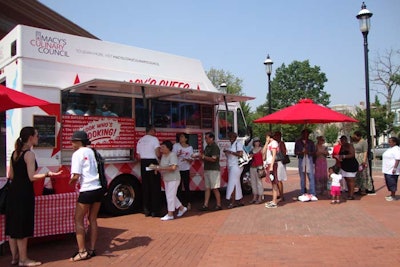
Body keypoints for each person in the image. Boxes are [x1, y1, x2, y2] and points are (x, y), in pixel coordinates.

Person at [6, 127, 61, 266]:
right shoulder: (29, 154)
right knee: (23, 227)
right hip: (24, 193)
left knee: (13, 227)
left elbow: (10, 175)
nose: (38, 137)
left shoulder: (14, 153)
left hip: (13, 192)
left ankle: (15, 258)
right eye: (36, 135)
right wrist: (47, 174)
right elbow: (31, 177)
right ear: (30, 138)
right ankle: (24, 260)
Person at [68, 131, 104, 261]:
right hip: (98, 188)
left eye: (73, 141)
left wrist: (70, 182)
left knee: (78, 219)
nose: (71, 143)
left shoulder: (77, 154)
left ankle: (82, 251)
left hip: (87, 190)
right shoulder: (92, 151)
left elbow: (76, 176)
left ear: (78, 142)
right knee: (92, 219)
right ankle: (92, 249)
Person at [154, 140, 187, 220]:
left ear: (168, 148)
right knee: (171, 195)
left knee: (170, 196)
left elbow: (173, 168)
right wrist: (156, 168)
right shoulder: (163, 156)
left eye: (163, 147)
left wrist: (160, 168)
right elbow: (162, 166)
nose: (161, 148)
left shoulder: (172, 155)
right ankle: (182, 208)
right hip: (167, 178)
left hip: (174, 178)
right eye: (161, 147)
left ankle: (170, 214)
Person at [136, 125, 162, 217]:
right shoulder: (154, 139)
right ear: (151, 131)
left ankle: (146, 210)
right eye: (155, 131)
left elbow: (138, 156)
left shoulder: (140, 141)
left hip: (143, 162)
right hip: (152, 162)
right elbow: (158, 153)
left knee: (146, 186)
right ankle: (155, 210)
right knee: (154, 186)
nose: (155, 133)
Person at [199, 132, 222, 211]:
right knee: (208, 188)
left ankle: (219, 204)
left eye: (207, 138)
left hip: (214, 170)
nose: (205, 140)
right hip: (207, 169)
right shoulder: (207, 147)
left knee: (214, 188)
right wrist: (200, 157)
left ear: (212, 138)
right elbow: (205, 157)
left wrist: (203, 157)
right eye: (205, 138)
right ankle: (205, 204)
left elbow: (214, 159)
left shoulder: (215, 147)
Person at [172, 133, 194, 210]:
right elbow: (172, 156)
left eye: (182, 137)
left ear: (186, 139)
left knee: (186, 186)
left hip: (186, 169)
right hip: (177, 169)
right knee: (178, 187)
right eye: (180, 136)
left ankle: (188, 203)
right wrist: (178, 155)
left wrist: (187, 159)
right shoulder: (176, 146)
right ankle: (179, 205)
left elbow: (191, 159)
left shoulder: (190, 148)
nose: (180, 138)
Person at [224, 132, 244, 209]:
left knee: (232, 184)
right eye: (230, 136)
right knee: (236, 183)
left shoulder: (238, 144)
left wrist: (230, 152)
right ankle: (240, 200)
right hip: (232, 166)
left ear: (236, 137)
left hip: (236, 166)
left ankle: (232, 202)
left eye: (232, 136)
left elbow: (240, 154)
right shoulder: (231, 145)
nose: (231, 138)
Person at [294, 129, 317, 198]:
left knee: (311, 176)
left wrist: (308, 152)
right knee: (302, 177)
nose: (306, 135)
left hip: (309, 159)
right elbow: (295, 152)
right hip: (301, 159)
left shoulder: (311, 142)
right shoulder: (298, 142)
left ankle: (312, 192)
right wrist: (301, 152)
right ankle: (303, 191)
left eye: (307, 134)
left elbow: (314, 152)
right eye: (305, 134)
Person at [337, 135, 359, 200]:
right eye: (341, 140)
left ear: (346, 140)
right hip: (344, 165)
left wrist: (344, 156)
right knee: (347, 180)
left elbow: (352, 154)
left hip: (351, 165)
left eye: (343, 140)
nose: (342, 141)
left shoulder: (349, 146)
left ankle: (351, 195)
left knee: (351, 180)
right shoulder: (342, 146)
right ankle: (349, 193)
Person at [353, 131, 373, 195]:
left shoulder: (364, 142)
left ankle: (364, 188)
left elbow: (365, 151)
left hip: (361, 158)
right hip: (355, 158)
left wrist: (364, 161)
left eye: (355, 136)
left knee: (363, 174)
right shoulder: (354, 142)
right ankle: (358, 187)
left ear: (358, 136)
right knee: (357, 174)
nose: (354, 137)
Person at [263, 132, 279, 208]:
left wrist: (271, 166)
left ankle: (275, 202)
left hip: (272, 164)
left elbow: (274, 155)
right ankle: (273, 200)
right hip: (269, 164)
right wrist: (266, 143)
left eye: (267, 137)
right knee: (272, 183)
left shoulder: (274, 143)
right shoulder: (270, 144)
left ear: (269, 136)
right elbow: (264, 152)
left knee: (274, 182)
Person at [381, 136, 400, 201]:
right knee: (388, 182)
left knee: (392, 182)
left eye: (390, 142)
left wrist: (394, 168)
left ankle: (393, 196)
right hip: (387, 169)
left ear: (395, 142)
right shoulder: (390, 149)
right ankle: (391, 194)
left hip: (392, 170)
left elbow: (398, 159)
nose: (389, 143)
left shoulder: (396, 149)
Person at [249, 137, 264, 204]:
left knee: (259, 183)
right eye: (255, 141)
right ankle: (255, 196)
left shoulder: (261, 149)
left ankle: (260, 197)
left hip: (259, 167)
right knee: (253, 182)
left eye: (258, 141)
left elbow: (264, 158)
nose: (257, 143)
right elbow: (249, 157)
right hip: (252, 167)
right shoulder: (252, 149)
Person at [274, 131, 288, 201]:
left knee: (279, 179)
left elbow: (284, 152)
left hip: (280, 162)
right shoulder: (275, 143)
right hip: (276, 163)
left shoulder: (281, 143)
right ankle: (279, 194)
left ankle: (282, 195)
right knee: (276, 179)